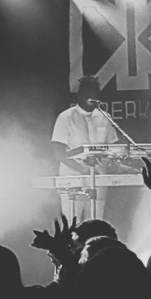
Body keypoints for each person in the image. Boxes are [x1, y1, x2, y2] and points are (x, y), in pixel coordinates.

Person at [51, 75, 119, 221]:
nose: (91, 97)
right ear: (79, 95)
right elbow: (59, 152)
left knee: (95, 223)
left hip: (99, 179)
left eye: (94, 93)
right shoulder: (66, 117)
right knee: (71, 225)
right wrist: (83, 170)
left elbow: (113, 147)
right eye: (88, 93)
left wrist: (114, 165)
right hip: (73, 180)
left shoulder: (104, 117)